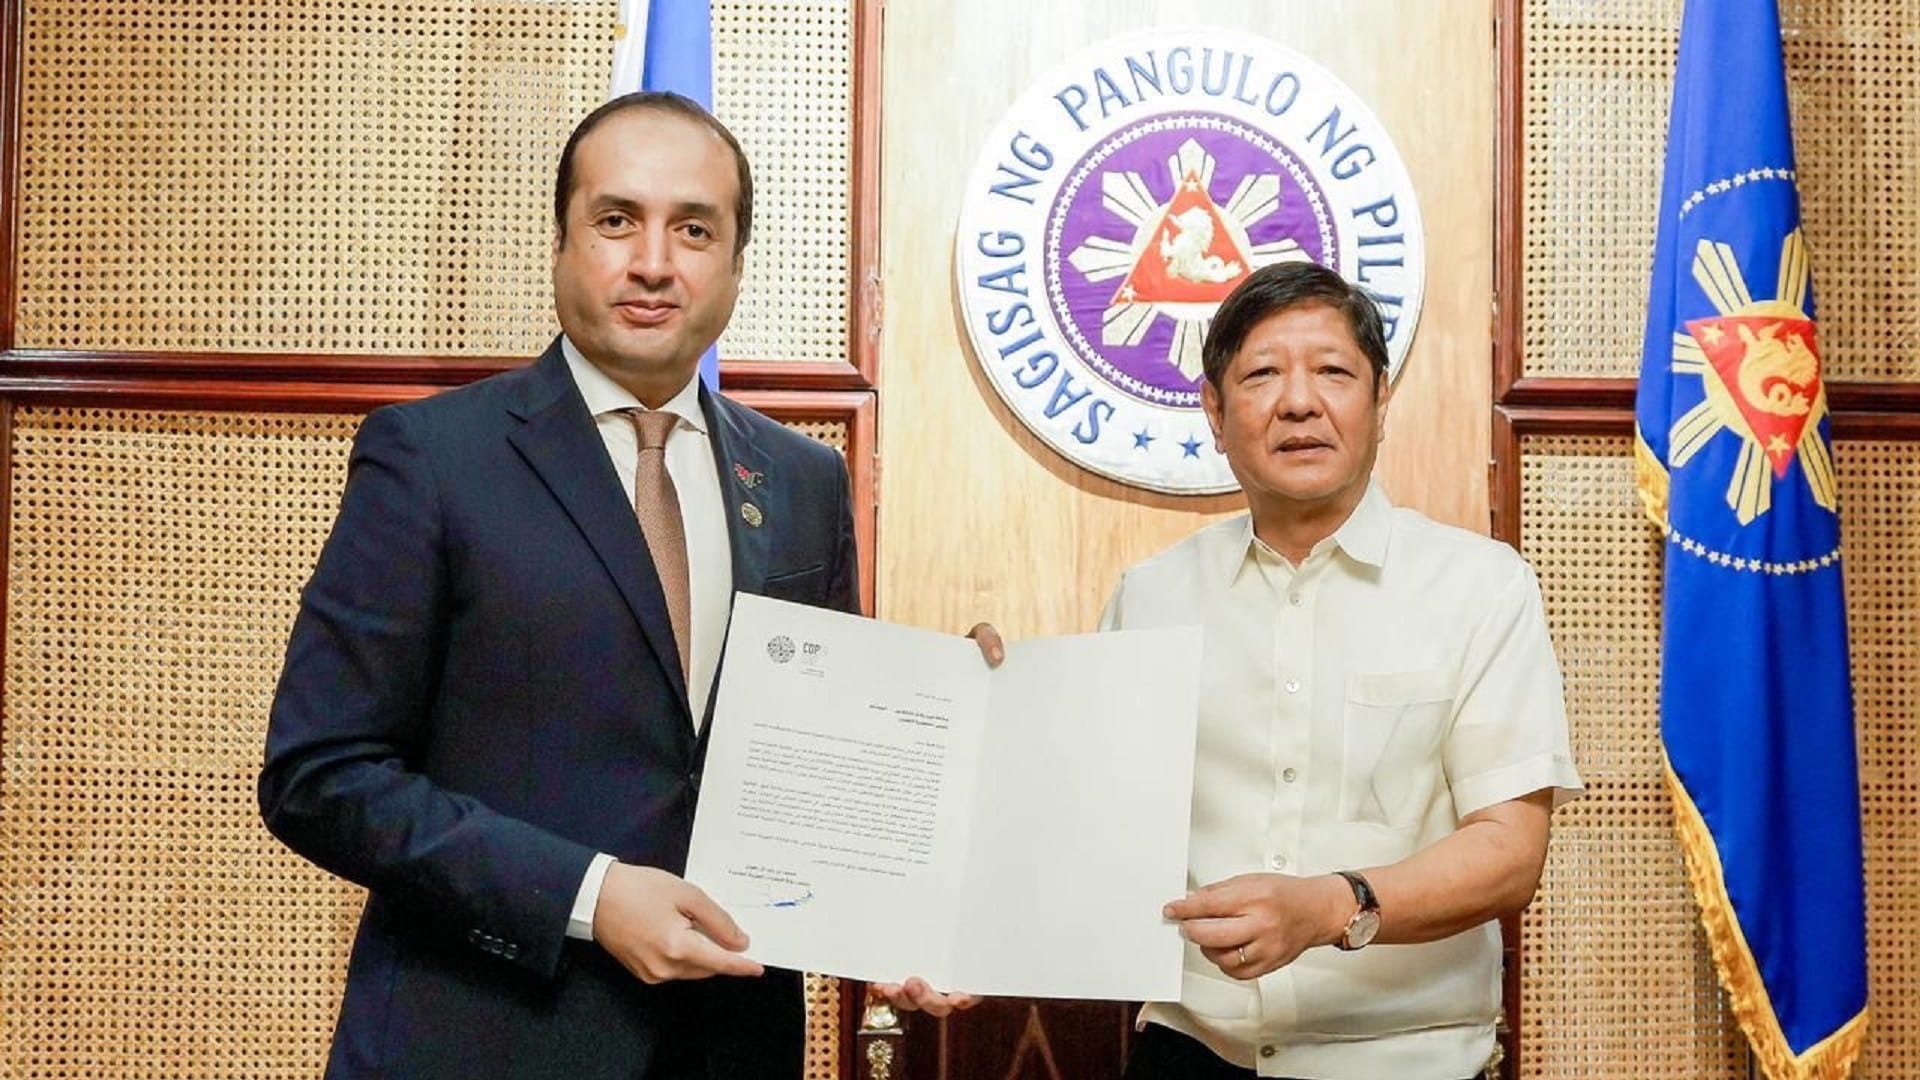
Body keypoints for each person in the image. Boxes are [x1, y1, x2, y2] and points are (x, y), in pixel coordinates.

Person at [259, 92, 966, 1080]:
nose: (653, 261)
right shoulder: (431, 457)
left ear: (733, 266)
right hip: (484, 1040)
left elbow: (819, 763)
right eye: (616, 220)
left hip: (731, 1047)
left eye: (694, 229)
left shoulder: (803, 482)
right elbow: (321, 779)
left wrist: (903, 896)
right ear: (561, 246)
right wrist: (588, 895)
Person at [1102, 262, 1584, 1079]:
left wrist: (1332, 905)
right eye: (1261, 375)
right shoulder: (1149, 597)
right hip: (1190, 1055)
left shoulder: (1480, 586)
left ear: (1381, 401)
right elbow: (1087, 828)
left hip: (1405, 1060)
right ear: (1213, 413)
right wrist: (996, 697)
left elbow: (1510, 852)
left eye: (1332, 371)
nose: (1298, 402)